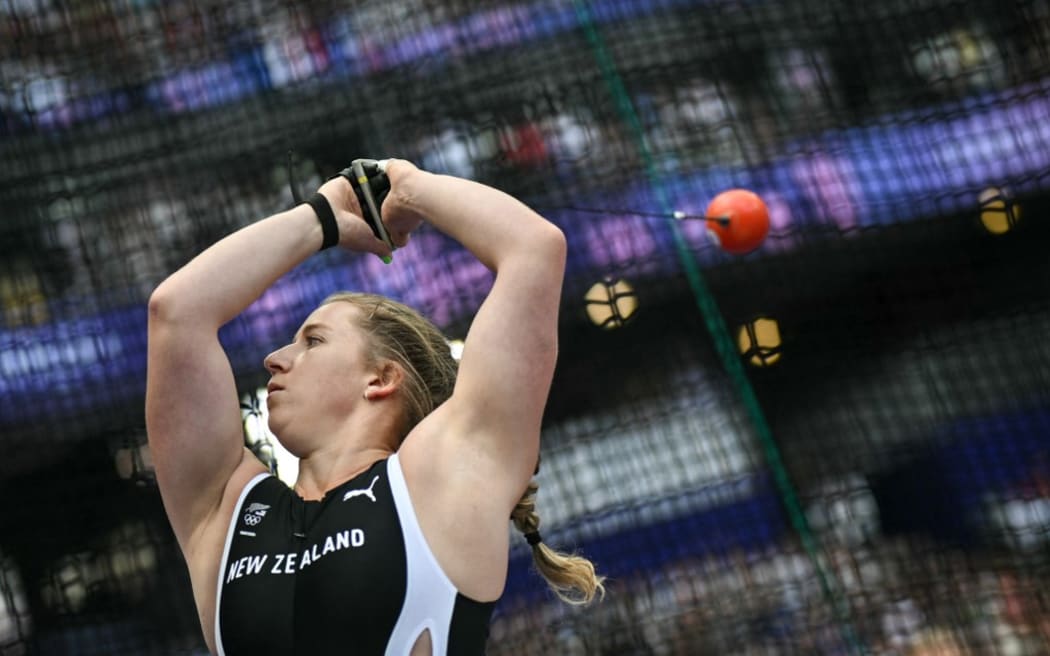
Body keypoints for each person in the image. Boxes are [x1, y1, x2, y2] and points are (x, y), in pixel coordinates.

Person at [145, 158, 604, 655]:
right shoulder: (228, 512)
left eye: (312, 341)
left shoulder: (443, 476)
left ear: (381, 379)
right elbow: (176, 312)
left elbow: (533, 249)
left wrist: (408, 185)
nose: (274, 359)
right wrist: (322, 215)